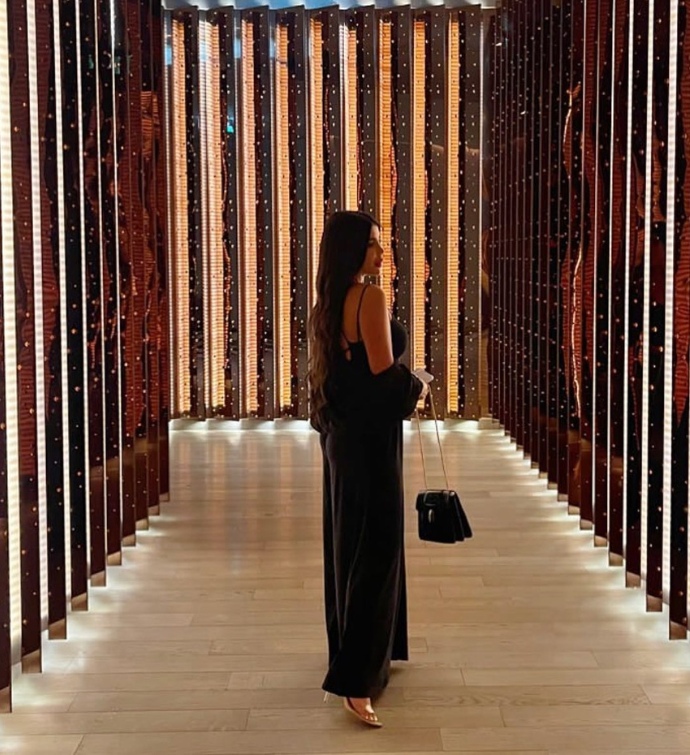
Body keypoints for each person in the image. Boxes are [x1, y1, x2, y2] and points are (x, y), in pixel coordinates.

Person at [308, 210, 428, 727]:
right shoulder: (370, 297)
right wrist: (418, 386)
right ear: (352, 249)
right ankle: (356, 681)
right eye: (374, 245)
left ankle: (363, 656)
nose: (382, 252)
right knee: (377, 548)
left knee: (347, 546)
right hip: (372, 439)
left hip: (340, 438)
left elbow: (345, 376)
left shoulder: (326, 304)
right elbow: (383, 378)